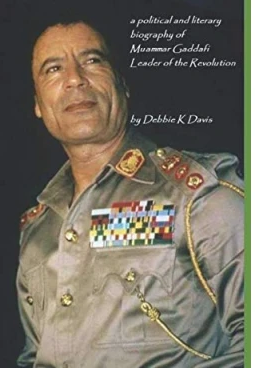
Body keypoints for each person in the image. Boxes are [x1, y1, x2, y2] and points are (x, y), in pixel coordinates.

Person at [16, 18, 244, 368]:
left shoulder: (199, 197)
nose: (75, 78)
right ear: (37, 104)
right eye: (53, 69)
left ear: (122, 86)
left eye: (93, 60)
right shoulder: (37, 230)